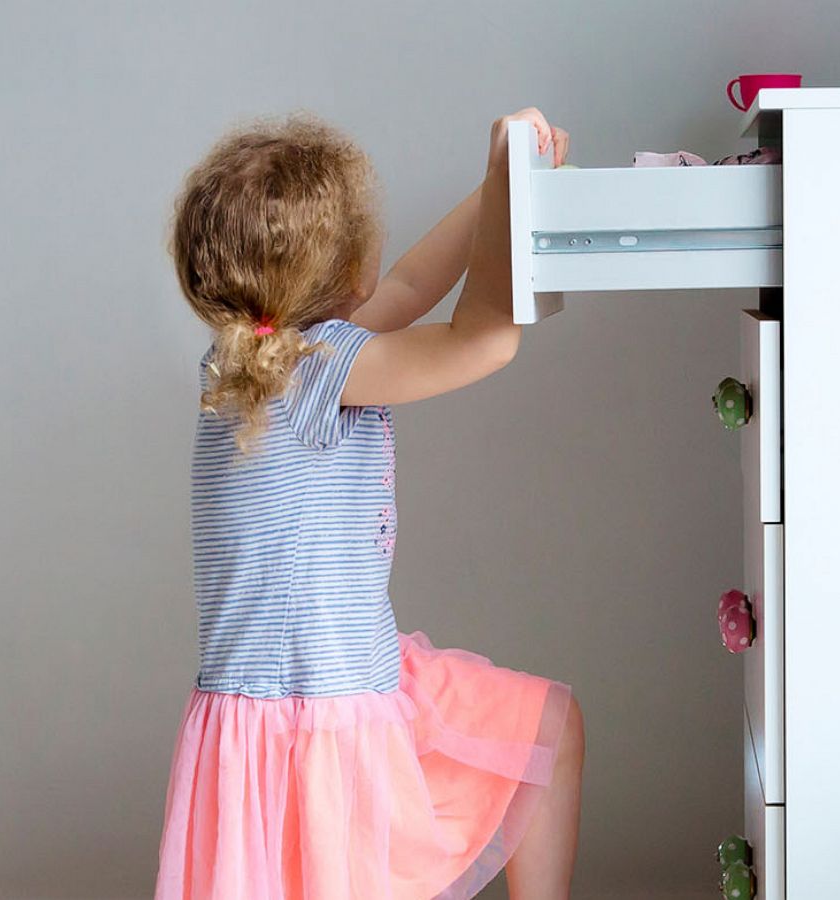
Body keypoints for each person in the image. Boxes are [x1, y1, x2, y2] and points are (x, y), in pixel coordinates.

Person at [153, 107, 584, 900]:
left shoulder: (242, 359)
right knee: (544, 736)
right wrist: (505, 183)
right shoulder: (317, 371)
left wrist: (503, 185)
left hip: (315, 693)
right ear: (343, 269)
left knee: (544, 729)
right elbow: (483, 339)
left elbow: (414, 287)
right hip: (320, 710)